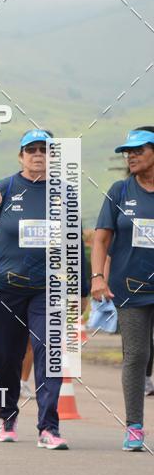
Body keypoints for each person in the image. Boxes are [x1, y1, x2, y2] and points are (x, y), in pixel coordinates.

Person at [0, 129, 89, 450]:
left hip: (48, 290)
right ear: (21, 156)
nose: (38, 155)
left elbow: (75, 243)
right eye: (31, 149)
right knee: (7, 358)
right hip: (4, 289)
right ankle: (8, 417)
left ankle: (48, 427)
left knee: (49, 351)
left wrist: (83, 287)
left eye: (45, 150)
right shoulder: (4, 189)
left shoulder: (66, 194)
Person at [91, 128, 154, 450]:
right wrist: (97, 278)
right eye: (127, 151)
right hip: (130, 288)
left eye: (138, 150)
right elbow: (101, 239)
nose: (130, 156)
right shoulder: (119, 191)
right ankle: (134, 426)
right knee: (136, 355)